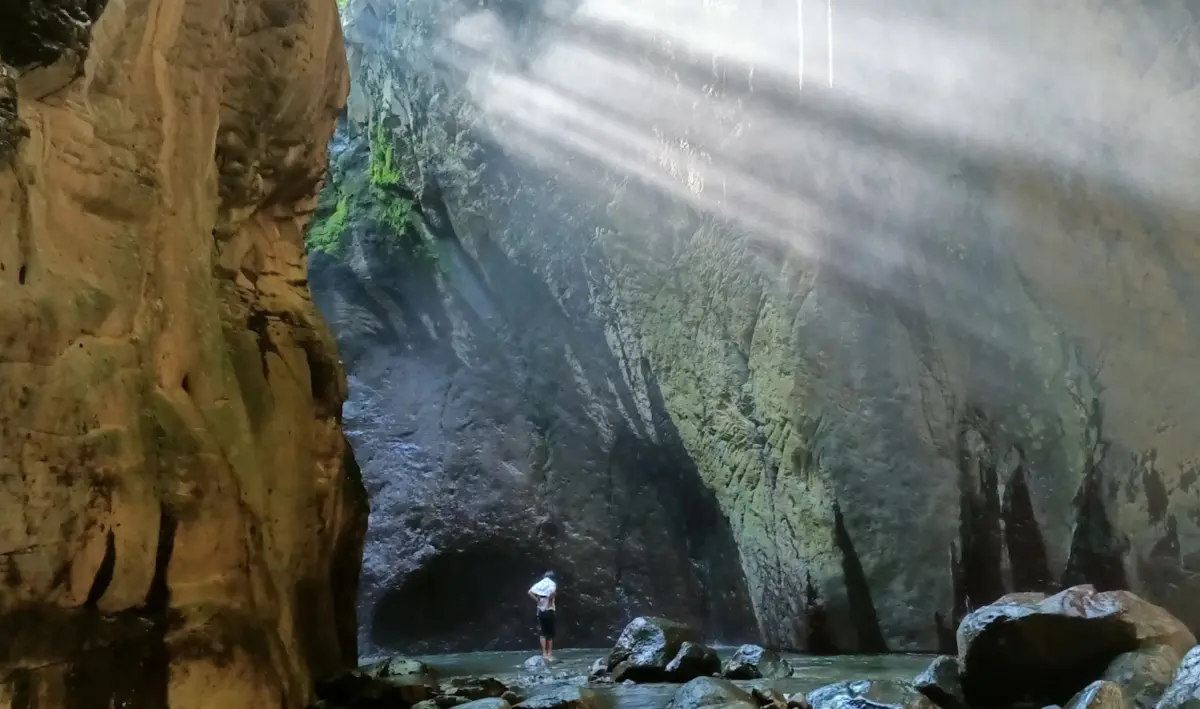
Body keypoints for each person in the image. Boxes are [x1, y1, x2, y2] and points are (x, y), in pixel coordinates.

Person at [527, 571, 557, 662]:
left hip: (540, 611)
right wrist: (550, 601)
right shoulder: (552, 585)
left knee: (543, 633)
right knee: (550, 634)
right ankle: (549, 654)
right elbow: (553, 593)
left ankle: (544, 654)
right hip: (549, 610)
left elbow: (529, 592)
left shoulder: (540, 586)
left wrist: (537, 600)